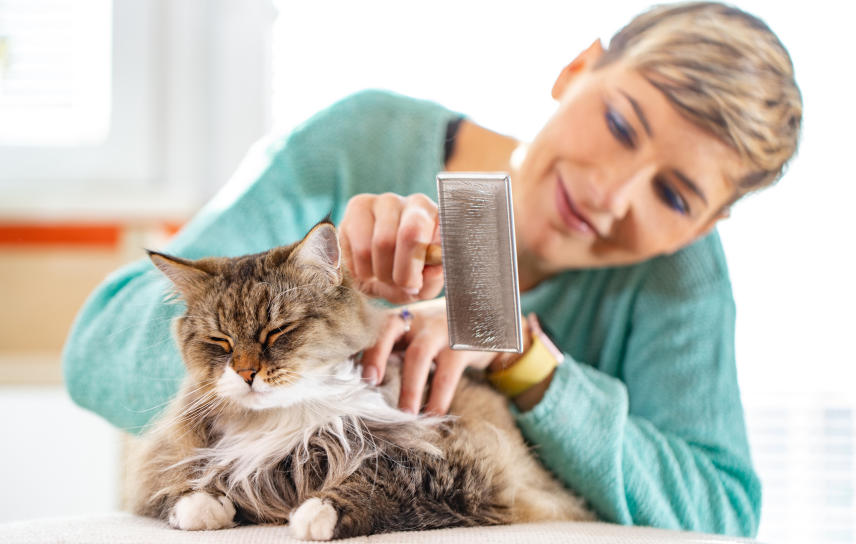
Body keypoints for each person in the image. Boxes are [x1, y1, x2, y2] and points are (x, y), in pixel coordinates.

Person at [62, 2, 801, 538]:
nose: (612, 193)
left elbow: (722, 514)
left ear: (709, 224)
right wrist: (326, 309)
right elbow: (95, 351)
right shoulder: (361, 140)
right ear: (576, 69)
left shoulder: (680, 272)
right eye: (618, 123)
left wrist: (522, 356)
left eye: (674, 195)